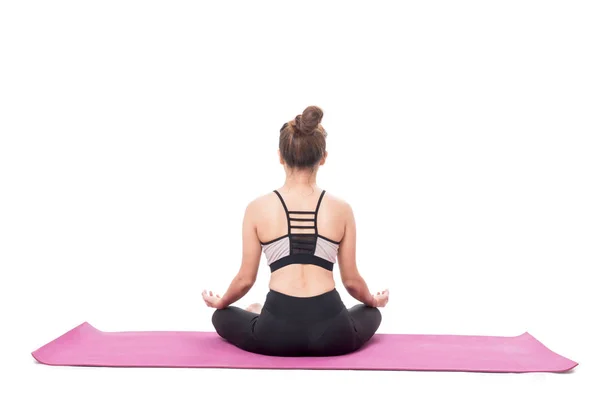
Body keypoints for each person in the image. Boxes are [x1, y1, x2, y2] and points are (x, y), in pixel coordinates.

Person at [202, 105, 389, 357]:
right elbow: (352, 282)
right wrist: (373, 301)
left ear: (280, 156)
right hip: (333, 334)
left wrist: (222, 302)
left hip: (276, 333)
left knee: (221, 317)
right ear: (323, 157)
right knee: (370, 312)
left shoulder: (257, 208)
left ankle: (256, 313)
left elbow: (246, 280)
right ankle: (261, 314)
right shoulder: (341, 209)